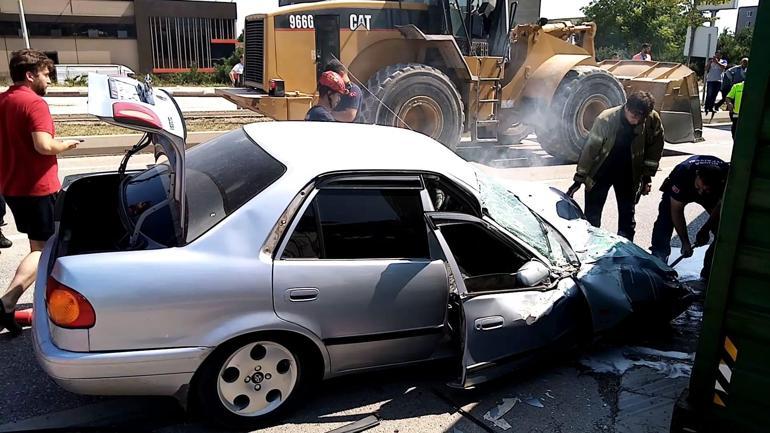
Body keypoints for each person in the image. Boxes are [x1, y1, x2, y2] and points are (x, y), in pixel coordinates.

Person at [0, 49, 79, 335]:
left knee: (38, 245)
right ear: (31, 75)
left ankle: (28, 302)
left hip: (12, 186)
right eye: (46, 75)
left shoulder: (4, 100)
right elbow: (44, 145)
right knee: (44, 249)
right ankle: (7, 303)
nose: (49, 80)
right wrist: (67, 144)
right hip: (38, 188)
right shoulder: (34, 103)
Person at [567, 91, 664, 241]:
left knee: (627, 217)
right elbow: (590, 149)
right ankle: (590, 246)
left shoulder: (651, 119)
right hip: (602, 170)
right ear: (626, 108)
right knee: (592, 216)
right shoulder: (606, 120)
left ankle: (624, 250)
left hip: (629, 172)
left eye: (641, 118)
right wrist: (579, 178)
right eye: (634, 117)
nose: (637, 122)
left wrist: (647, 176)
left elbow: (655, 147)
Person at [649, 156, 729, 279]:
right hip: (683, 185)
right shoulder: (683, 174)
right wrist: (685, 242)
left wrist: (705, 229)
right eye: (698, 187)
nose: (700, 193)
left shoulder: (726, 177)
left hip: (713, 194)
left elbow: (720, 207)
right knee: (665, 220)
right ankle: (658, 261)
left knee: (723, 227)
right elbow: (676, 211)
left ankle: (709, 273)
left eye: (705, 190)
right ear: (697, 175)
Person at [704, 51, 728, 115]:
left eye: (719, 55)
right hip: (710, 80)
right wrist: (710, 62)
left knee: (714, 95)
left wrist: (717, 62)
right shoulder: (711, 61)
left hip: (719, 80)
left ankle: (711, 108)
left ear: (721, 56)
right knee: (709, 94)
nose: (717, 56)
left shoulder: (723, 61)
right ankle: (706, 107)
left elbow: (724, 67)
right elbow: (706, 69)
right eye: (716, 55)